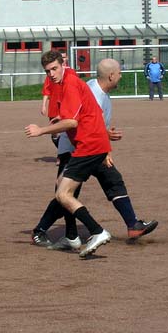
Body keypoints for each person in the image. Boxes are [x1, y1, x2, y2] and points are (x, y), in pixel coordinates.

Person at [32, 58, 158, 250]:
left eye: (54, 69)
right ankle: (44, 231)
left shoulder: (102, 95)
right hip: (75, 147)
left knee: (112, 181)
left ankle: (132, 225)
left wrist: (105, 142)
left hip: (91, 146)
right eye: (120, 73)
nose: (121, 77)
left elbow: (86, 119)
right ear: (111, 75)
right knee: (65, 193)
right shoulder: (90, 89)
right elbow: (78, 120)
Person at [25, 51, 113, 259]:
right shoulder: (64, 84)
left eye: (55, 68)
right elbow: (75, 116)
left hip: (89, 144)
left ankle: (97, 231)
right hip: (90, 143)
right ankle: (73, 236)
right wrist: (57, 122)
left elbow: (72, 122)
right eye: (48, 71)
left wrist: (41, 130)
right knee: (62, 189)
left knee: (63, 194)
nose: (52, 74)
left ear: (63, 64)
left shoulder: (71, 83)